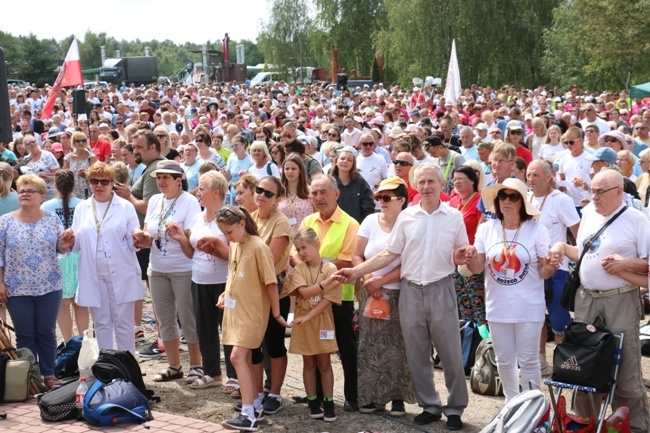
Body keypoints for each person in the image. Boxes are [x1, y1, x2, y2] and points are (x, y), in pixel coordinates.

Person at [335, 164, 468, 430]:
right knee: (417, 354)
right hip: (411, 290)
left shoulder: (454, 217)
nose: (427, 186)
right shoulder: (408, 218)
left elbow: (463, 257)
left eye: (432, 181)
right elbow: (389, 254)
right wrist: (356, 271)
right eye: (422, 182)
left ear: (442, 185)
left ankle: (454, 409)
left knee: (450, 353)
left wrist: (468, 259)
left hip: (441, 287)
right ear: (415, 186)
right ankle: (429, 405)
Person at [549, 169, 650, 433]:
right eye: (592, 190)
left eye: (599, 192)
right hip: (586, 298)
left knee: (625, 370)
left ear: (619, 192)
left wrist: (626, 263)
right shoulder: (590, 214)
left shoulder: (637, 219)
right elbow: (583, 253)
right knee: (583, 364)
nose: (593, 196)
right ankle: (586, 424)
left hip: (620, 299)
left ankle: (637, 427)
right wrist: (561, 247)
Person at [459, 178, 556, 402]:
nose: (507, 201)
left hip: (528, 306)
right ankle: (511, 405)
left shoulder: (536, 229)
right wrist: (471, 257)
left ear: (522, 202)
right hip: (498, 305)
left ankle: (532, 406)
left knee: (529, 360)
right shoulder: (486, 229)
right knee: (504, 360)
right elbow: (476, 268)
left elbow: (544, 272)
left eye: (513, 196)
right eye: (502, 196)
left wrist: (550, 266)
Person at [216, 205, 291, 432]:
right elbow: (234, 274)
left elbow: (271, 282)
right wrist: (224, 293)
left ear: (241, 224)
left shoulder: (259, 247)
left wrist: (276, 314)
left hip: (253, 313)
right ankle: (254, 406)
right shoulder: (236, 244)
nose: (227, 237)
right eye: (223, 233)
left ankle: (248, 414)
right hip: (236, 311)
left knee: (238, 357)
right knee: (243, 359)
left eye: (229, 231)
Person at [0, 174, 75, 390]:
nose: (24, 194)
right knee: (25, 334)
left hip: (49, 286)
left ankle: (49, 374)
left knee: (46, 331)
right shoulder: (5, 222)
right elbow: (0, 256)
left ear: (42, 196)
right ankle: (30, 378)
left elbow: (59, 250)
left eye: (30, 190)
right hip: (16, 288)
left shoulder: (52, 219)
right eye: (22, 190)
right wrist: (1, 284)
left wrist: (65, 244)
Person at [132, 160, 202, 382]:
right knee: (164, 319)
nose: (161, 181)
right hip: (157, 268)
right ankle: (174, 365)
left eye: (166, 177)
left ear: (178, 179)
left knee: (188, 318)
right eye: (159, 177)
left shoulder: (189, 201)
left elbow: (192, 234)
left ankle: (197, 365)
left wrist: (179, 232)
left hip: (183, 268)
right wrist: (140, 238)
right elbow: (147, 231)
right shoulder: (154, 200)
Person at [352, 177, 415, 416]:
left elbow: (408, 261)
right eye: (379, 197)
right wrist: (369, 280)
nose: (381, 201)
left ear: (401, 200)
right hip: (369, 290)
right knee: (369, 344)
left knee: (398, 346)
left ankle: (397, 397)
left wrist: (382, 281)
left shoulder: (409, 223)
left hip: (398, 292)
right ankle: (371, 397)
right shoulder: (369, 220)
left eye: (387, 197)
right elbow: (356, 255)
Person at [300, 175, 360, 412]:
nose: (318, 198)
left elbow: (347, 259)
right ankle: (317, 395)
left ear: (337, 194)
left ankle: (352, 396)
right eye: (314, 193)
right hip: (312, 296)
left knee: (346, 348)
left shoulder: (350, 224)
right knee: (314, 348)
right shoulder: (308, 220)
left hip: (339, 296)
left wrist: (315, 265)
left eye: (323, 192)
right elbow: (297, 254)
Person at [71, 163, 145, 355]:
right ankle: (107, 368)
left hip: (121, 271)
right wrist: (68, 240)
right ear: (89, 182)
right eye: (94, 181)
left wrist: (138, 238)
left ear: (113, 183)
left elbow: (132, 241)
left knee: (123, 323)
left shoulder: (125, 207)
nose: (99, 185)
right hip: (93, 273)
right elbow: (78, 243)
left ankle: (127, 370)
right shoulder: (82, 208)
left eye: (105, 181)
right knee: (101, 323)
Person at [165, 171, 230, 388]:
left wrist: (215, 248)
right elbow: (192, 253)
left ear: (216, 193)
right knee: (205, 328)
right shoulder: (196, 217)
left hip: (223, 281)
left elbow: (235, 254)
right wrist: (181, 238)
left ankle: (236, 377)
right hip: (199, 280)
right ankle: (212, 373)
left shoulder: (228, 217)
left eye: (202, 188)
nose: (197, 192)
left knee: (228, 330)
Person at [525, 160, 580, 375]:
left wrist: (580, 260)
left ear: (549, 176)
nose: (531, 179)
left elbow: (578, 233)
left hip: (558, 268)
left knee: (559, 318)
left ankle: (563, 363)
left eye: (536, 175)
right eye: (529, 174)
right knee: (535, 316)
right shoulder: (524, 198)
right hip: (532, 268)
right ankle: (540, 361)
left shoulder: (561, 200)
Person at [286, 227, 341, 422]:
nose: (301, 253)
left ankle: (329, 402)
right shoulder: (299, 269)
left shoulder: (330, 269)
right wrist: (326, 283)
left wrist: (308, 317)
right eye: (298, 249)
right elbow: (305, 293)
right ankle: (312, 401)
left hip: (322, 321)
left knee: (324, 363)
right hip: (304, 322)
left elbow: (328, 301)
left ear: (316, 244)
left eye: (304, 247)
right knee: (308, 362)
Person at [250, 176, 293, 414]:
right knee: (253, 344)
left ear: (278, 199)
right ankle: (256, 395)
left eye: (268, 193)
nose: (262, 196)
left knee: (274, 344)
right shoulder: (250, 218)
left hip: (274, 289)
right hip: (251, 291)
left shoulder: (281, 222)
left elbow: (270, 259)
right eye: (259, 190)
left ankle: (274, 394)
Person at [41, 170, 88, 341]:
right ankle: (84, 341)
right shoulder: (84, 203)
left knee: (62, 304)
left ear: (54, 185)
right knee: (81, 302)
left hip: (59, 256)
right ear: (74, 184)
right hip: (80, 253)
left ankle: (68, 342)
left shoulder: (46, 206)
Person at [449, 166, 485, 326]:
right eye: (454, 179)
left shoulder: (480, 200)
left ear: (472, 180)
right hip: (454, 260)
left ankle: (484, 341)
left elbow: (481, 231)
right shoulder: (453, 201)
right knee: (463, 304)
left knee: (478, 305)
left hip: (472, 259)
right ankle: (468, 342)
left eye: (460, 178)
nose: (456, 182)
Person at [331, 147, 374, 223]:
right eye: (342, 158)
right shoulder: (330, 182)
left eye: (349, 160)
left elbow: (368, 206)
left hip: (356, 227)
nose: (345, 161)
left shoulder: (361, 183)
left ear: (353, 165)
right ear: (336, 162)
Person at [17, 132, 60, 200]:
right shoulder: (26, 159)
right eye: (28, 143)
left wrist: (47, 176)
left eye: (33, 141)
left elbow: (58, 174)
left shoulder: (47, 155)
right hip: (32, 193)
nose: (31, 144)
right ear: (25, 147)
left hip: (48, 192)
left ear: (37, 142)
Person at [278, 153, 314, 233]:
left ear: (300, 170)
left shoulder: (310, 192)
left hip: (305, 238)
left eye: (293, 169)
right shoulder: (278, 192)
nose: (290, 172)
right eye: (287, 169)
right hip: (284, 237)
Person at [63, 131, 97, 199]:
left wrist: (86, 174)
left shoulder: (91, 157)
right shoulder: (68, 158)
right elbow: (64, 175)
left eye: (83, 140)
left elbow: (95, 175)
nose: (81, 143)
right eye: (78, 141)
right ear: (74, 142)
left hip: (87, 189)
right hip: (73, 190)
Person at [225, 135, 253, 205]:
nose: (234, 147)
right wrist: (222, 173)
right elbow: (228, 178)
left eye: (236, 145)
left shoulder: (251, 160)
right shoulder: (231, 159)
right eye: (232, 146)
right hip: (233, 194)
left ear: (243, 145)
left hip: (246, 194)